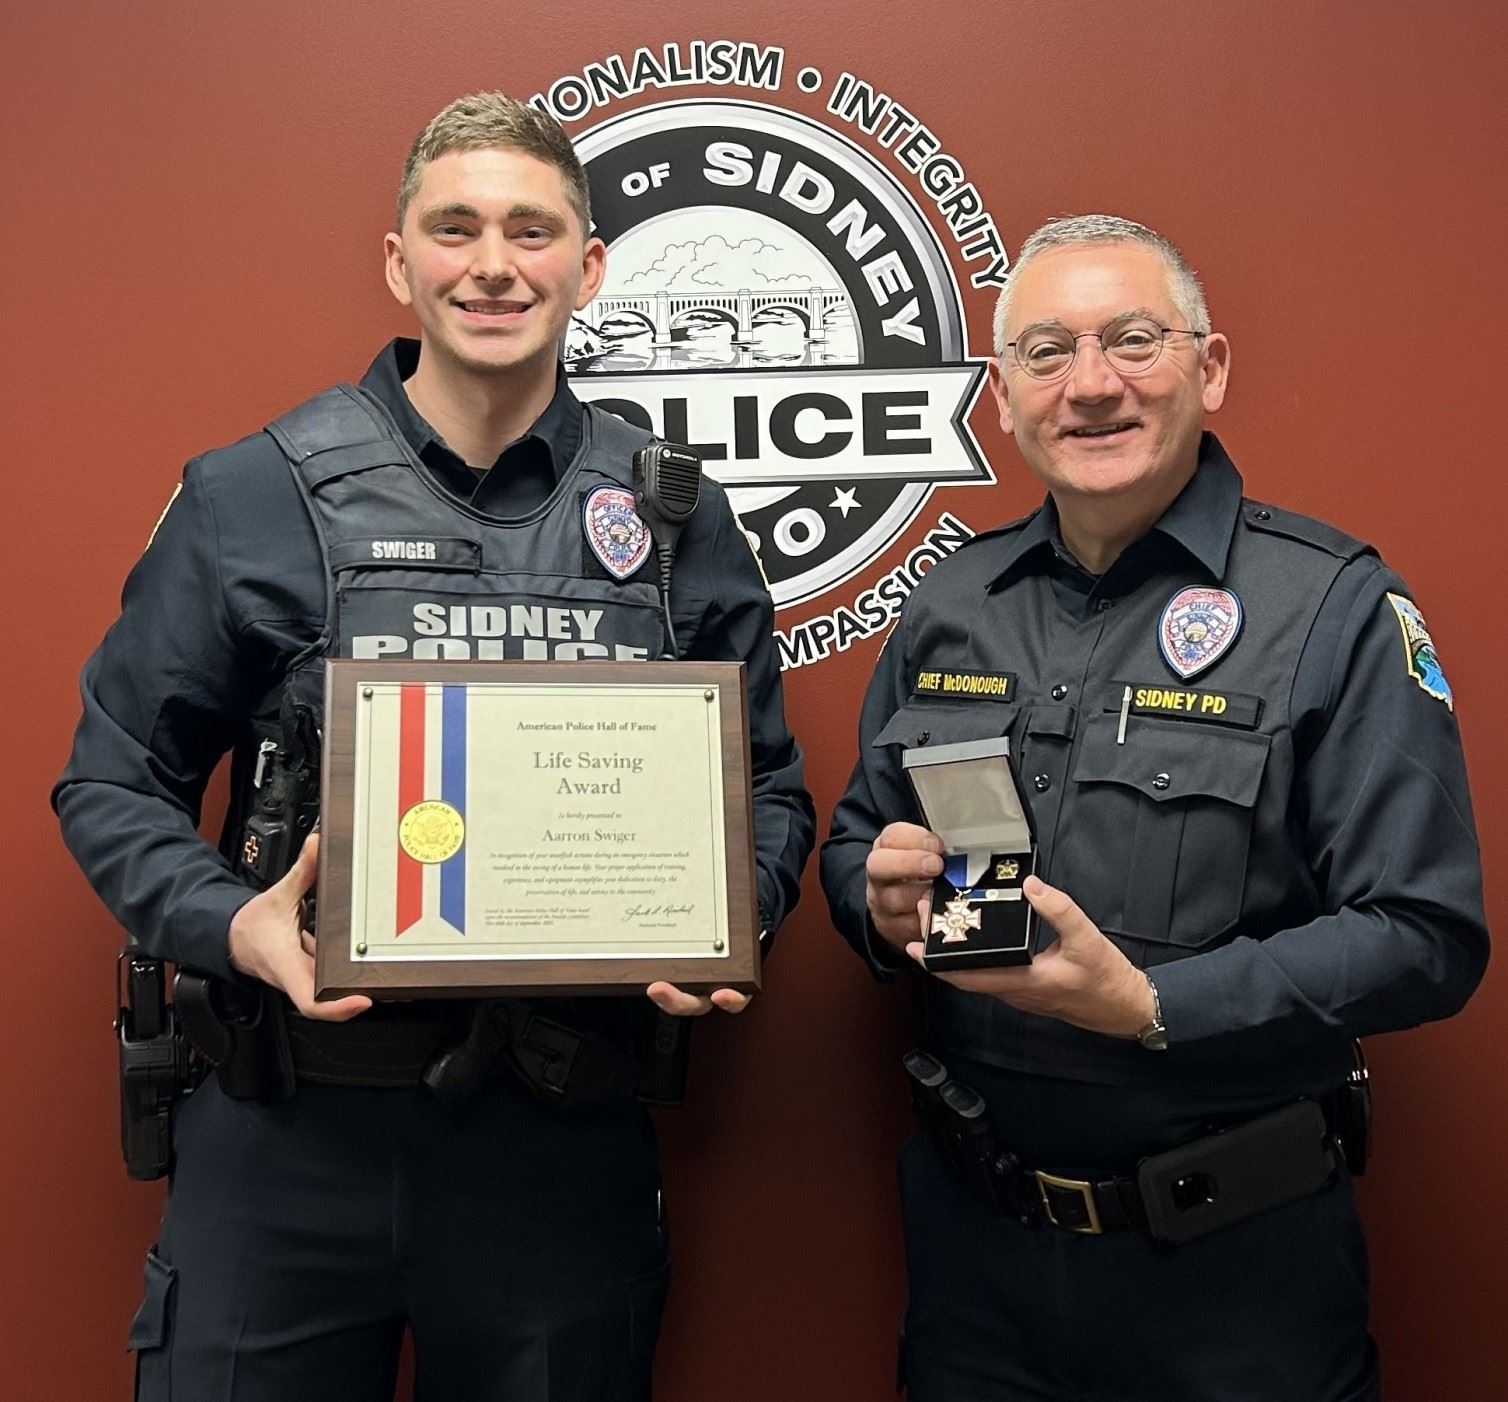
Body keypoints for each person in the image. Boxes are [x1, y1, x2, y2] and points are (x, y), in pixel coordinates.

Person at [55, 91, 813, 1401]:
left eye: (531, 230)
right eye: (454, 229)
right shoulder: (254, 492)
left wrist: (731, 911)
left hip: (557, 1144)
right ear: (399, 262)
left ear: (588, 267)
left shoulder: (670, 513)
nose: (493, 264)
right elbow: (112, 779)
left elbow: (767, 786)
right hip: (288, 1133)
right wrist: (236, 926)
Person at [821, 214, 1487, 1402]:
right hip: (978, 1277)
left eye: (1131, 340)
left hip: (1234, 1278)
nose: (1090, 385)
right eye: (1044, 352)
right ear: (1003, 397)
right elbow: (854, 842)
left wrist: (1150, 1005)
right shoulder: (952, 602)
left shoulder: (1330, 604)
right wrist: (874, 899)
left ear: (1208, 368)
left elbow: (1422, 935)